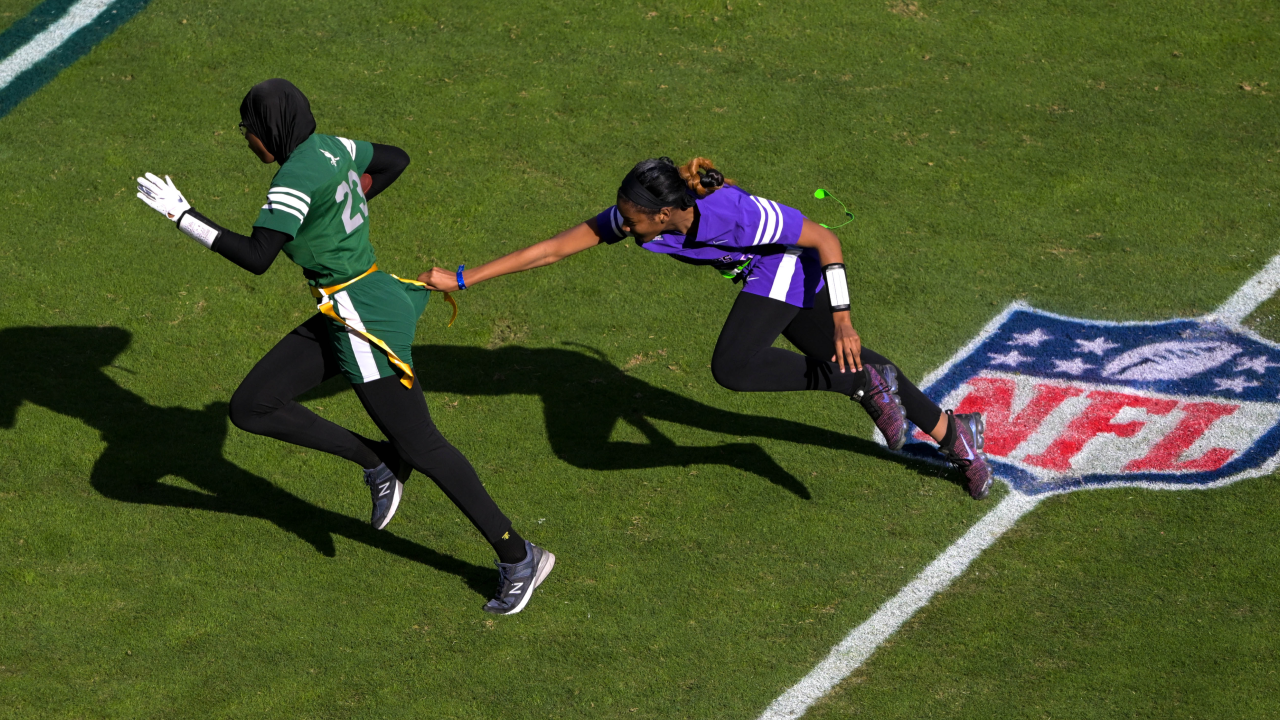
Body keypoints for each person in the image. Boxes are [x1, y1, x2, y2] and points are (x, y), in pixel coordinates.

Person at [135, 79, 553, 614]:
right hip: (352, 303)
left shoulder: (294, 179)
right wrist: (338, 203)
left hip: (361, 320)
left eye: (248, 131)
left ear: (270, 132)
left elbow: (258, 256)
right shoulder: (332, 148)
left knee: (424, 446)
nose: (246, 141)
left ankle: (519, 557)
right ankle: (379, 464)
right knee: (252, 405)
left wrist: (183, 217)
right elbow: (396, 159)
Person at [419, 157, 993, 499]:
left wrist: (842, 315)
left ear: (665, 213)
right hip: (768, 277)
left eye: (633, 216)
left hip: (790, 265)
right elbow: (553, 250)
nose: (624, 222)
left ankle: (861, 388)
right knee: (853, 361)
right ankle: (957, 435)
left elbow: (823, 238)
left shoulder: (734, 213)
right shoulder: (641, 217)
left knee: (737, 366)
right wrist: (465, 278)